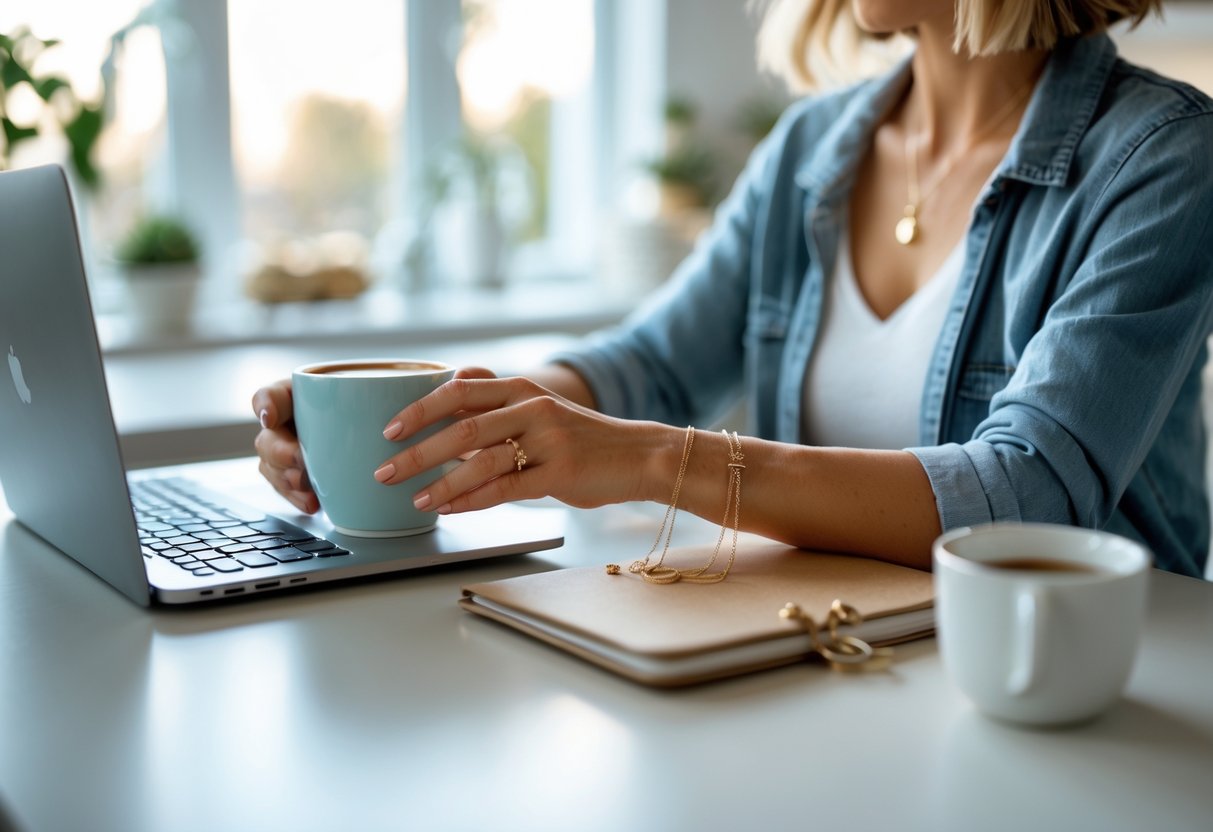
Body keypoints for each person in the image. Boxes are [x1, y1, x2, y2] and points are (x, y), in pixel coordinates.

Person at [253, 0, 1213, 578]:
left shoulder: (1160, 157)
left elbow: (1031, 495)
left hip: (1090, 693)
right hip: (850, 655)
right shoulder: (810, 147)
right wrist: (440, 419)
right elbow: (650, 365)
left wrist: (657, 462)